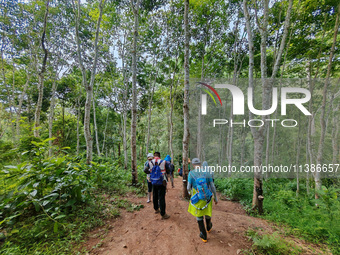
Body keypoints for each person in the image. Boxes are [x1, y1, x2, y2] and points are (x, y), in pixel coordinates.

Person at [187, 158, 218, 243]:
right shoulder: (207, 172)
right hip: (208, 197)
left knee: (199, 215)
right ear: (200, 164)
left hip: (197, 197)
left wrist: (190, 194)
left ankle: (203, 234)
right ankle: (208, 227)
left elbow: (188, 188)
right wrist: (215, 197)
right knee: (207, 213)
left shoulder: (191, 173)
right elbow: (212, 186)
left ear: (193, 165)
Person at [144, 152, 171, 219]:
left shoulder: (150, 162)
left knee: (155, 195)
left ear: (154, 156)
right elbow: (168, 170)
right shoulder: (164, 162)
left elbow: (145, 170)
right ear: (159, 156)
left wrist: (151, 173)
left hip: (153, 181)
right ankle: (163, 214)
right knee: (161, 197)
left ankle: (156, 209)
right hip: (162, 181)